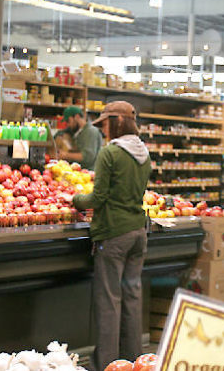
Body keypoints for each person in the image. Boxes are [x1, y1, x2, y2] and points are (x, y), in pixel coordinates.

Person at [71, 101, 152, 370]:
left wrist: (74, 200)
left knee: (109, 301)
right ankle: (134, 361)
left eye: (105, 123)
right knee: (132, 297)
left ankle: (108, 364)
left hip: (114, 234)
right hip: (138, 233)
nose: (103, 129)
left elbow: (98, 197)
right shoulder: (144, 153)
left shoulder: (110, 153)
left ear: (117, 122)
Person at [58, 106, 103, 170]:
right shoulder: (77, 130)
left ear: (77, 117)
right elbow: (60, 133)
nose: (67, 124)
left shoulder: (90, 132)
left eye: (68, 121)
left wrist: (66, 155)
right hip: (79, 173)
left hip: (89, 173)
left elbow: (87, 157)